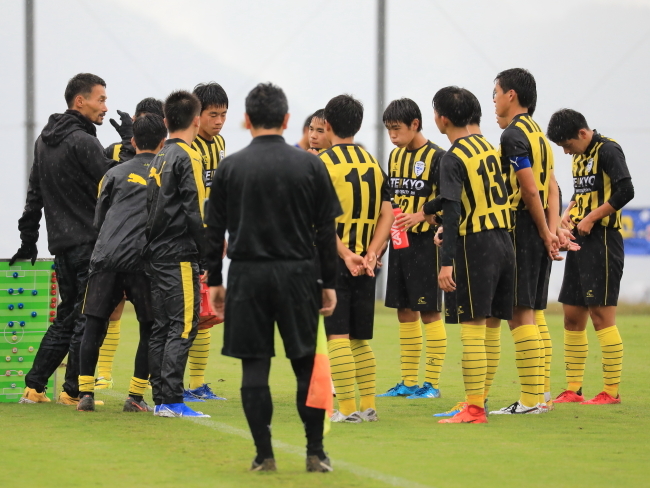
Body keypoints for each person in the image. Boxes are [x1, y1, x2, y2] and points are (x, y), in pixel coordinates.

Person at [205, 83, 341, 472]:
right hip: (298, 273)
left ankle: (264, 455)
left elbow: (214, 232)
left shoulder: (231, 166)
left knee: (254, 367)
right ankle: (315, 452)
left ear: (246, 121)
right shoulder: (311, 164)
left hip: (248, 275)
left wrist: (216, 281)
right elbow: (325, 231)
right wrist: (327, 282)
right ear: (285, 121)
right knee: (304, 366)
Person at [15, 73, 129, 405]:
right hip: (89, 244)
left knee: (67, 316)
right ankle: (73, 391)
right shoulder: (82, 140)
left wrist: (28, 238)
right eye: (101, 99)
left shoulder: (43, 140)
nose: (105, 107)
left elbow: (34, 194)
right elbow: (115, 179)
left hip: (61, 244)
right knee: (89, 317)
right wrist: (132, 145)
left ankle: (34, 387)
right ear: (80, 101)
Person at [423, 86, 514, 424]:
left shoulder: (453, 156)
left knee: (473, 328)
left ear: (442, 118)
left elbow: (452, 210)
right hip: (504, 241)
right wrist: (427, 208)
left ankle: (474, 409)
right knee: (490, 327)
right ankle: (476, 402)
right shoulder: (488, 148)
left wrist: (446, 263)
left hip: (476, 245)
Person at [76, 113, 167, 412]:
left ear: (132, 141)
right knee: (149, 327)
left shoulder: (113, 174)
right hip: (144, 261)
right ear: (163, 142)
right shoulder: (166, 172)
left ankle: (85, 394)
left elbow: (99, 219)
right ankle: (135, 397)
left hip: (107, 257)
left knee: (94, 324)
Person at [547, 108, 633, 405]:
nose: (566, 152)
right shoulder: (582, 157)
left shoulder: (608, 150)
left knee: (601, 316)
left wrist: (592, 218)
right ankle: (574, 388)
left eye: (568, 145)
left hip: (604, 240)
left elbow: (626, 190)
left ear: (583, 134)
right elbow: (578, 195)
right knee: (572, 316)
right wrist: (566, 218)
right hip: (579, 241)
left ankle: (611, 391)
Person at [319, 94, 394, 423]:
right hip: (367, 262)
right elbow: (388, 213)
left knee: (337, 335)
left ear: (329, 126)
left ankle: (347, 409)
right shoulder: (373, 163)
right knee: (360, 338)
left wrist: (347, 255)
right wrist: (371, 253)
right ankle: (368, 406)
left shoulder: (322, 163)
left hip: (336, 260)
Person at [489, 68, 560, 415]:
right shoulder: (538, 134)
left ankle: (531, 401)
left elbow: (531, 187)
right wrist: (552, 227)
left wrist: (547, 232)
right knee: (532, 311)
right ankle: (541, 394)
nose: (494, 99)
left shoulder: (514, 135)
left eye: (496, 93)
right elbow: (552, 186)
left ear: (511, 95)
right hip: (537, 227)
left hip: (520, 225)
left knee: (519, 314)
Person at [143, 90, 208, 418]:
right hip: (179, 252)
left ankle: (161, 399)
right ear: (196, 120)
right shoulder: (189, 156)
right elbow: (195, 210)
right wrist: (207, 253)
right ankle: (171, 399)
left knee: (162, 327)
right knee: (183, 325)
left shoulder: (160, 155)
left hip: (156, 252)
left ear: (167, 122)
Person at [377, 98, 447, 400]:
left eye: (397, 129)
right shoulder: (394, 158)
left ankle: (431, 384)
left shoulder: (439, 158)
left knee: (429, 311)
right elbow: (392, 203)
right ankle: (407, 381)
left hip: (426, 243)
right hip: (399, 242)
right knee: (404, 311)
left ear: (415, 125)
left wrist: (421, 216)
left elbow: (449, 200)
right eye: (388, 130)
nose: (392, 135)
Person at [95, 96, 164, 391]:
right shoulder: (113, 150)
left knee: (152, 317)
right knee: (112, 310)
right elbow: (113, 181)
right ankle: (104, 373)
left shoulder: (167, 158)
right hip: (118, 240)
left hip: (148, 248)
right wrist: (126, 146)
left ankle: (148, 380)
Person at [184, 82, 229, 402]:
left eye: (224, 115)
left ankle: (197, 383)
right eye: (213, 115)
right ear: (197, 115)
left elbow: (218, 195)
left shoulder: (221, 144)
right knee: (183, 313)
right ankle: (168, 382)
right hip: (184, 240)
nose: (219, 121)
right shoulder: (185, 146)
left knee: (206, 314)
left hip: (210, 240)